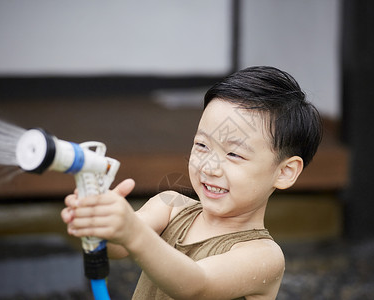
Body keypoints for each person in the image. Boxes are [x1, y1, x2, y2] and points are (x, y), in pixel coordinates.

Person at [61, 66, 323, 299]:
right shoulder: (170, 206)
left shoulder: (263, 256)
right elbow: (117, 247)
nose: (209, 166)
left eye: (234, 154)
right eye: (202, 145)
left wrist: (131, 231)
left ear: (285, 172)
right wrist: (100, 221)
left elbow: (197, 285)